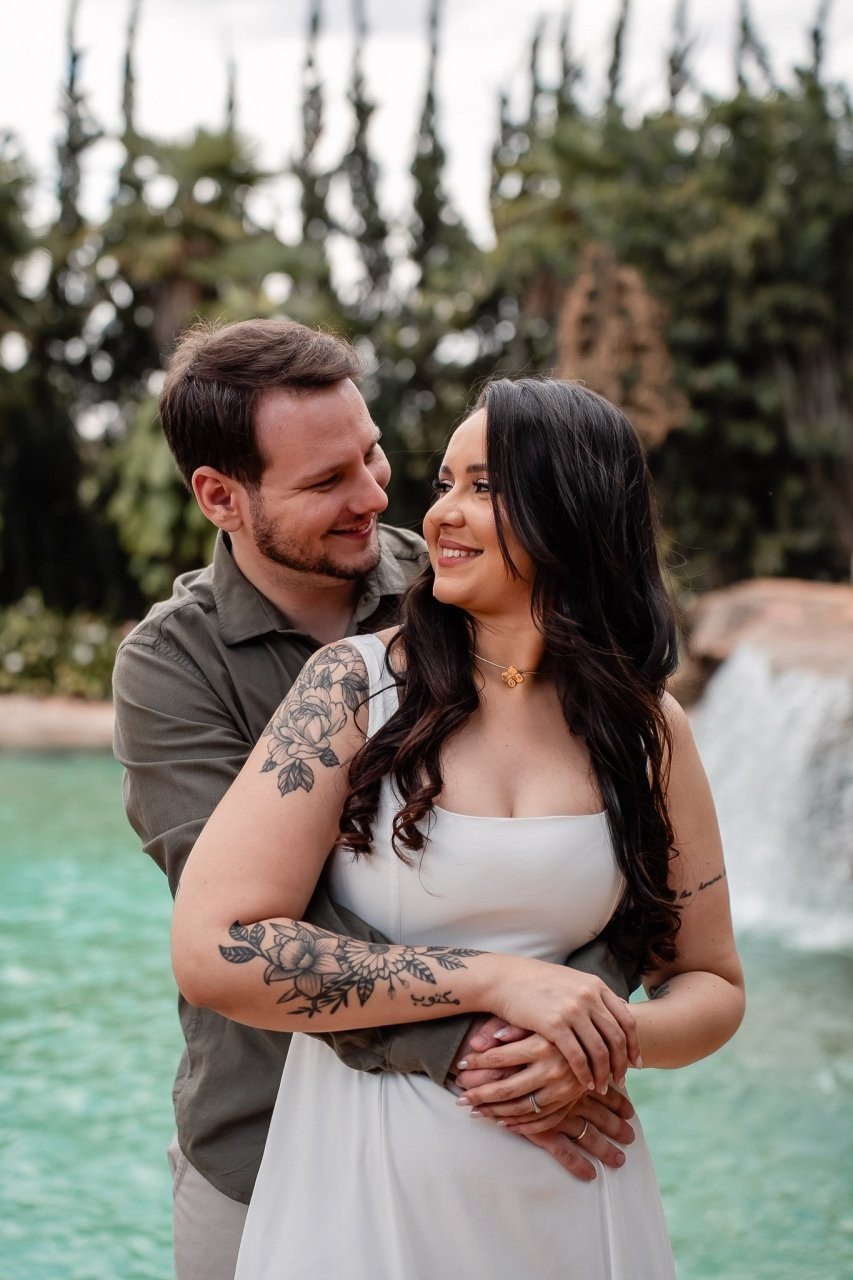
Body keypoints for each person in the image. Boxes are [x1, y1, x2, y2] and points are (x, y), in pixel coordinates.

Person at [171, 377, 745, 1279]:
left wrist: (597, 1044)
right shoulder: (350, 688)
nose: (439, 512)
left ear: (572, 510)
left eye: (483, 486)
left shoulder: (647, 729)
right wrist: (500, 982)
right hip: (361, 1186)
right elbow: (215, 948)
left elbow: (709, 982)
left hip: (571, 1187)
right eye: (444, 482)